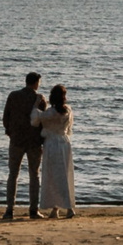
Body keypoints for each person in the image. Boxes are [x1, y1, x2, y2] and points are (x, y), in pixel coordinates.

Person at [1, 71, 47, 220]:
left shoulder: (13, 96)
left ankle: (9, 209)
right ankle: (33, 210)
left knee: (13, 174)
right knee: (34, 175)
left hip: (16, 140)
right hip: (34, 142)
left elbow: (5, 117)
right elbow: (43, 121)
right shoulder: (39, 99)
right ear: (36, 83)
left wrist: (10, 132)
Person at [32, 84, 76, 218]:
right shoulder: (68, 110)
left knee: (52, 177)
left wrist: (36, 104)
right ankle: (65, 208)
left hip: (51, 145)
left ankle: (58, 208)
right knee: (64, 175)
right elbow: (69, 129)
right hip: (64, 143)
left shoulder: (49, 113)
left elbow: (35, 120)